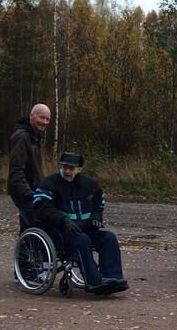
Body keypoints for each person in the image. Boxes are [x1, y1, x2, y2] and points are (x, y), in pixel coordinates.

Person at [33, 153, 128, 295]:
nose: (67, 171)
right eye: (65, 167)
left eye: (71, 168)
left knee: (109, 238)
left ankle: (113, 279)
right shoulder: (49, 183)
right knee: (81, 240)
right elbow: (42, 206)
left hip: (84, 228)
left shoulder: (89, 184)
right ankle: (94, 282)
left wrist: (96, 216)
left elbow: (99, 201)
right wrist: (63, 221)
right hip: (58, 230)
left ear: (79, 169)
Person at [8, 103, 51, 232]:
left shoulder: (34, 135)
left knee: (27, 229)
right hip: (24, 192)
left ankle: (24, 246)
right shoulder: (22, 137)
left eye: (47, 119)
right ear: (31, 116)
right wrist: (28, 194)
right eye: (41, 117)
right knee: (40, 227)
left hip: (33, 190)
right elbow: (16, 169)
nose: (44, 122)